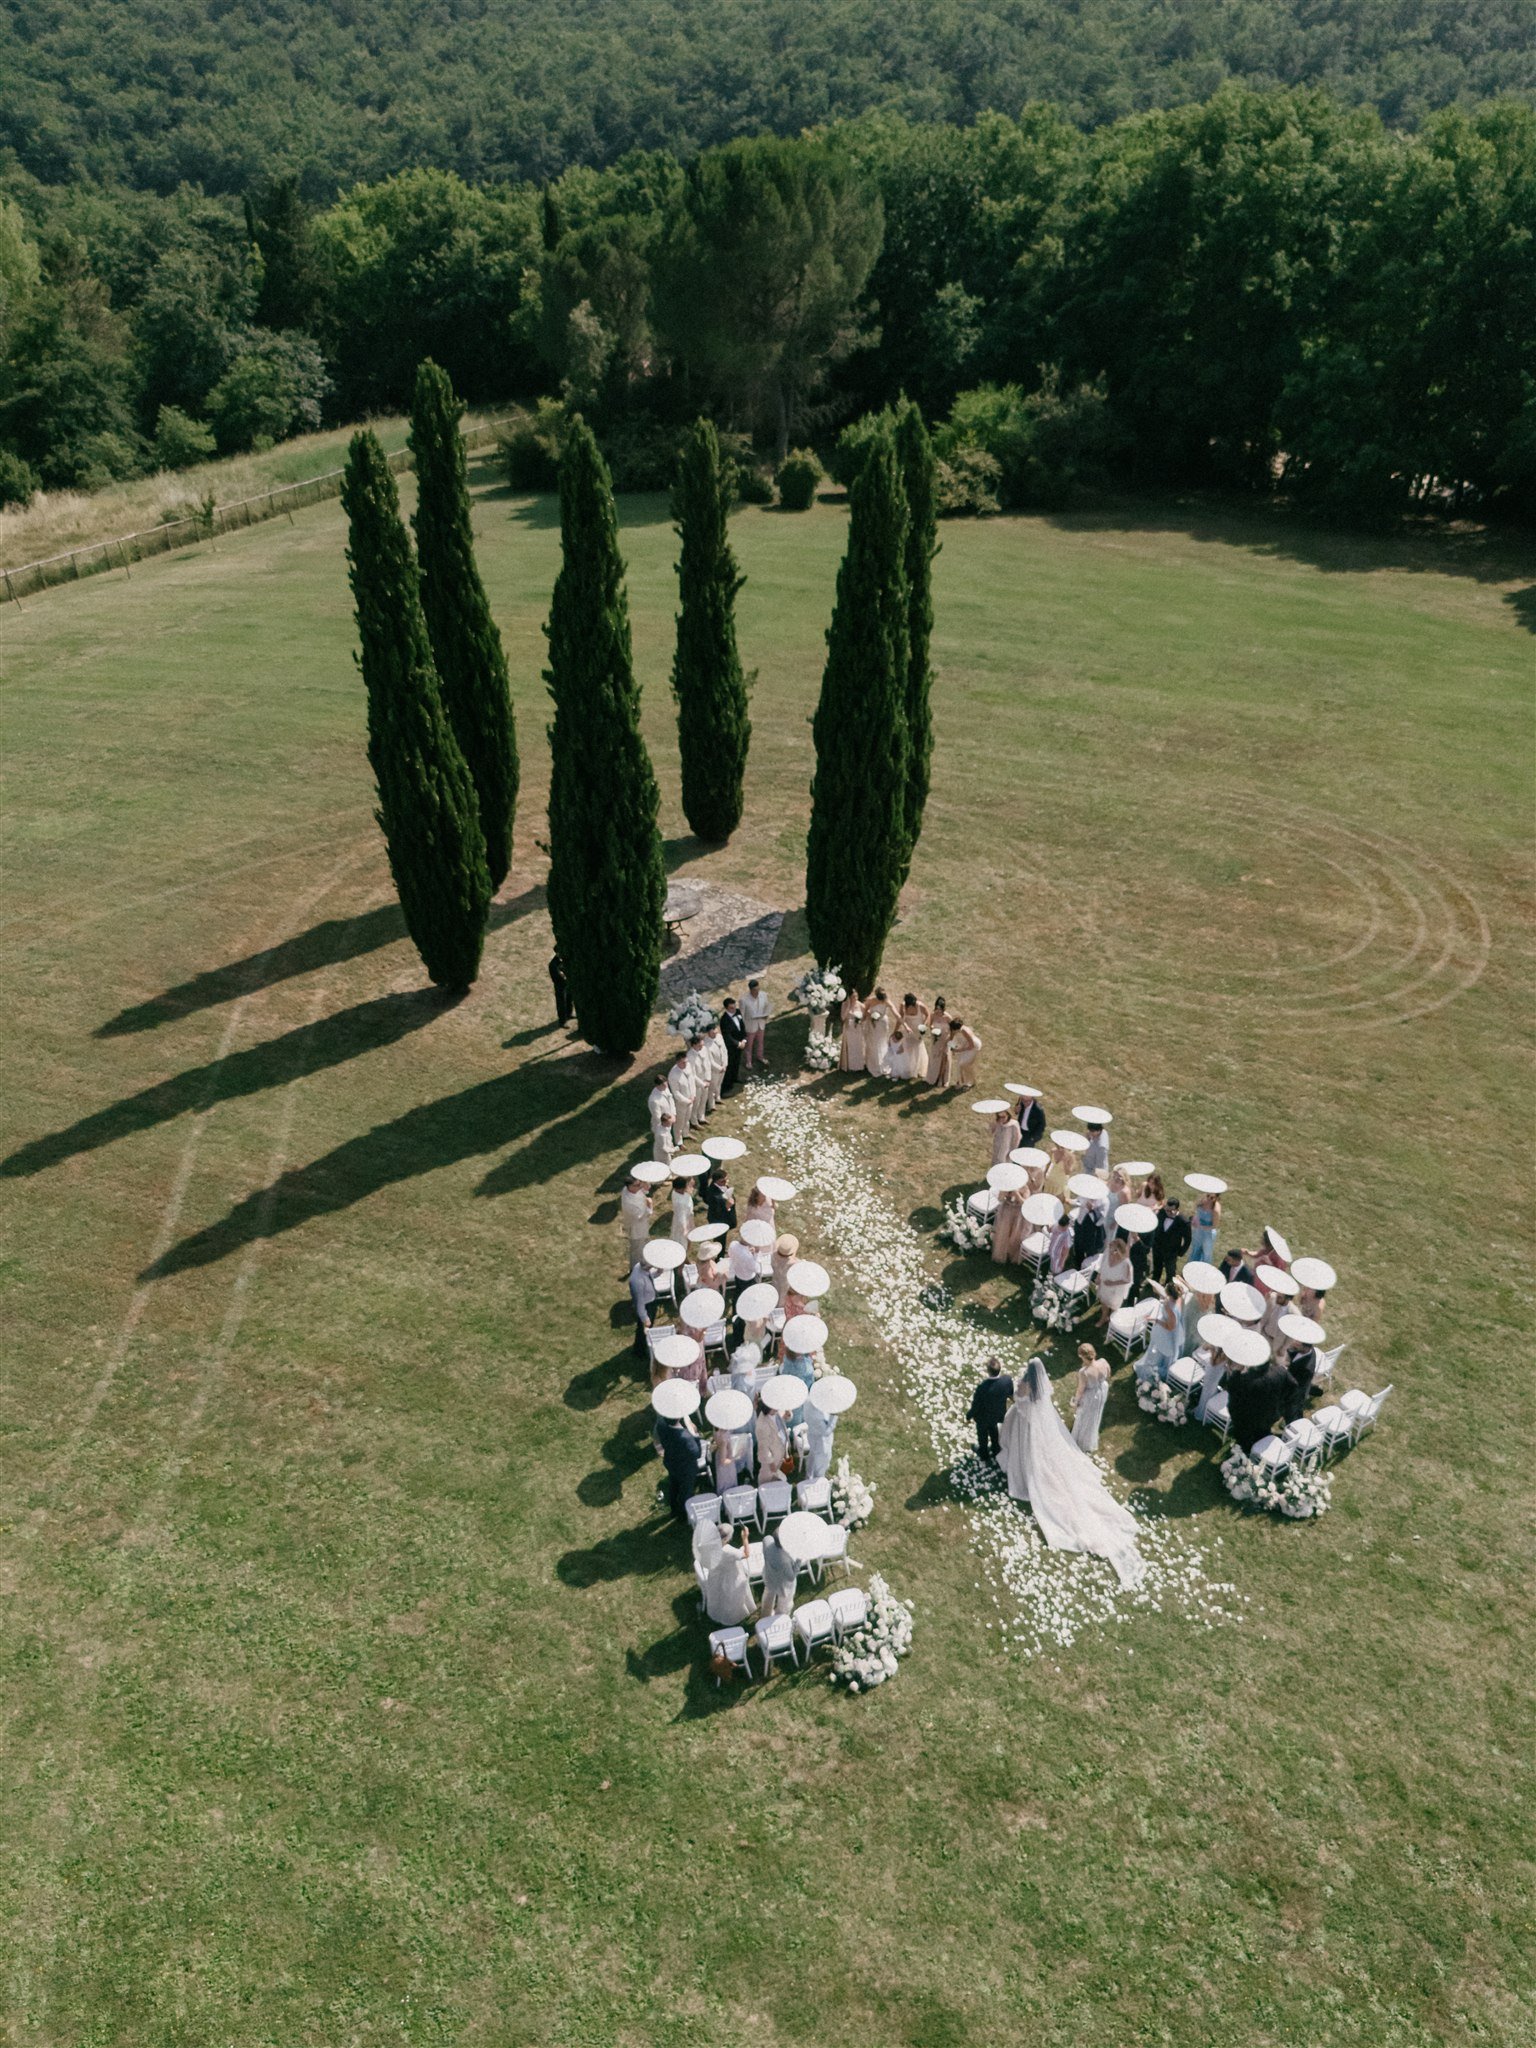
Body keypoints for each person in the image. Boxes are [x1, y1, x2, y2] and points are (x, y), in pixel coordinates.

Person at [997, 1357, 1144, 1586]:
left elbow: (1018, 1399)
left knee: (1031, 1461)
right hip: (1034, 1427)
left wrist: (1016, 1395)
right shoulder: (1041, 1389)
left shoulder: (1024, 1386)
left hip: (1024, 1427)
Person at [1225, 1355, 1293, 1453]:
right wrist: (1282, 1406)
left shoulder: (1241, 1380)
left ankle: (1245, 1453)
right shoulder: (1280, 1371)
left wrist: (1235, 1373)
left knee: (1245, 1440)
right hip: (1270, 1415)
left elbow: (1233, 1399)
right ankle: (1259, 1449)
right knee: (1263, 1433)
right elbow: (1293, 1386)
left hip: (1247, 1419)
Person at [697, 1522, 756, 1626]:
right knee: (733, 1596)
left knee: (718, 1595)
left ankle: (718, 1611)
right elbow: (746, 1554)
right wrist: (745, 1537)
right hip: (731, 1576)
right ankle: (734, 1616)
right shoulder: (728, 1551)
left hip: (715, 1574)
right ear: (725, 1539)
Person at [656, 1414, 706, 1517]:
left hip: (671, 1462)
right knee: (685, 1491)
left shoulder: (660, 1424)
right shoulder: (685, 1437)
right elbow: (697, 1453)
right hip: (686, 1469)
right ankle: (682, 1513)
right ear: (678, 1417)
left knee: (673, 1485)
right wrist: (695, 1435)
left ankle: (673, 1507)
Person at [967, 1357, 1014, 1462]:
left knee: (982, 1436)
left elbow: (976, 1405)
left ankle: (984, 1454)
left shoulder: (982, 1388)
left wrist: (969, 1416)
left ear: (988, 1371)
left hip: (983, 1417)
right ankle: (996, 1449)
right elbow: (1011, 1394)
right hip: (998, 1415)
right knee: (994, 1431)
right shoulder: (1007, 1380)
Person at [1071, 1344, 1111, 1454]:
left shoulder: (1084, 1372)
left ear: (1081, 1356)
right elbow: (1108, 1375)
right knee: (1096, 1414)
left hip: (1091, 1396)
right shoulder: (1103, 1361)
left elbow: (1080, 1390)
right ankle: (1091, 1436)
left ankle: (1082, 1441)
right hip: (1102, 1389)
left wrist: (1075, 1402)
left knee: (1085, 1417)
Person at [1150, 1196, 1192, 1285]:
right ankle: (1154, 1283)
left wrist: (1180, 1252)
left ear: (1177, 1209)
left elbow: (1188, 1239)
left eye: (1171, 1211)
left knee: (1170, 1271)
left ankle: (1169, 1286)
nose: (1168, 1213)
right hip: (1157, 1247)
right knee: (1157, 1268)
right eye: (1167, 1210)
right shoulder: (1161, 1213)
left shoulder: (1183, 1221)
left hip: (1171, 1251)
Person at [1144, 1284, 1182, 1377]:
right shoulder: (1171, 1299)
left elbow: (1170, 1327)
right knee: (1155, 1347)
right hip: (1162, 1327)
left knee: (1162, 1350)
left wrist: (1156, 1320)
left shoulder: (1171, 1310)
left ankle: (1156, 1369)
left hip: (1167, 1333)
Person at [758, 1529, 798, 1618]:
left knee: (768, 1595)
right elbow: (791, 1577)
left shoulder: (767, 1540)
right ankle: (780, 1615)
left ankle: (765, 1614)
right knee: (785, 1601)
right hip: (783, 1584)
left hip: (769, 1576)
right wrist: (798, 1560)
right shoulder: (785, 1559)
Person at [1095, 1234, 1133, 1324]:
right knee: (1104, 1302)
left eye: (1114, 1250)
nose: (1111, 1252)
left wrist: (1113, 1283)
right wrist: (1098, 1277)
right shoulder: (1107, 1252)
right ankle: (1103, 1317)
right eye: (1111, 1249)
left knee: (1113, 1306)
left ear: (1120, 1251)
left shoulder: (1126, 1263)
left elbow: (1128, 1280)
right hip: (1104, 1285)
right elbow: (1101, 1265)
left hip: (1116, 1289)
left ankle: (1112, 1322)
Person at [620, 1173, 654, 1273]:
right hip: (636, 1227)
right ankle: (635, 1270)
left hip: (643, 1225)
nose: (640, 1186)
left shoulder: (632, 1189)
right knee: (637, 1249)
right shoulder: (629, 1202)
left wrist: (645, 1186)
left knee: (645, 1243)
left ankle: (647, 1262)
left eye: (639, 1184)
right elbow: (640, 1216)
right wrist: (650, 1206)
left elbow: (643, 1190)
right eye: (637, 1185)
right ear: (629, 1186)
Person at [629, 1259, 658, 1357]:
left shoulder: (642, 1269)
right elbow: (639, 1304)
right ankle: (639, 1351)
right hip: (646, 1305)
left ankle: (644, 1344)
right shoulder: (638, 1281)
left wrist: (659, 1271)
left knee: (648, 1328)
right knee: (643, 1330)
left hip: (651, 1300)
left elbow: (651, 1276)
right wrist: (645, 1318)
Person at [666, 1049, 697, 1142]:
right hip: (681, 1103)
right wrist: (687, 1101)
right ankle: (678, 1141)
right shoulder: (673, 1075)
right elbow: (676, 1093)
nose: (686, 1064)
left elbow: (691, 1082)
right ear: (677, 1062)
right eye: (683, 1063)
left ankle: (686, 1133)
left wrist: (693, 1095)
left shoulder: (688, 1067)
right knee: (679, 1123)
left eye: (686, 1062)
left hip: (690, 1099)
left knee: (687, 1119)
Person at [755, 1402, 789, 1481]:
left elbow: (782, 1420)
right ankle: (763, 1490)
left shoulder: (776, 1412)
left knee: (777, 1474)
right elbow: (763, 1447)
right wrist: (770, 1462)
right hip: (771, 1457)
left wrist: (788, 1415)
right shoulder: (762, 1425)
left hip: (779, 1451)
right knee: (767, 1476)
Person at [719, 996, 746, 1094]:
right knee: (730, 1064)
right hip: (731, 1046)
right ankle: (727, 1085)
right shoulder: (724, 1020)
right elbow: (727, 1036)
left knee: (737, 1062)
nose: (734, 1009)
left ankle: (735, 1077)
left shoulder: (738, 1012)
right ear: (726, 1008)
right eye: (731, 1008)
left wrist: (744, 1040)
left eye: (734, 1007)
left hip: (741, 1043)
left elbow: (743, 1027)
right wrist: (737, 1043)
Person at [647, 1074, 676, 1164]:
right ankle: (663, 1157)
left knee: (669, 1138)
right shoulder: (654, 1100)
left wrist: (673, 1114)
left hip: (668, 1119)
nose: (666, 1086)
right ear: (657, 1086)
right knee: (662, 1141)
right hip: (661, 1124)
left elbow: (671, 1101)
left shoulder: (665, 1088)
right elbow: (657, 1117)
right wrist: (667, 1121)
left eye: (666, 1084)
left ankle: (670, 1151)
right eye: (663, 1085)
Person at [992, 1187, 1025, 1265]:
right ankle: (1001, 1252)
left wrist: (1017, 1195)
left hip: (1018, 1214)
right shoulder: (1005, 1186)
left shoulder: (1025, 1188)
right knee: (1003, 1233)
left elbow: (1024, 1203)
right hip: (1006, 1211)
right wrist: (1004, 1194)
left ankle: (1011, 1252)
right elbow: (1000, 1199)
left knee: (1015, 1235)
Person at [864, 989, 893, 1077]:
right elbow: (865, 1011)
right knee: (873, 1042)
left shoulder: (886, 1001)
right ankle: (872, 1062)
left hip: (882, 1025)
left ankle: (880, 1062)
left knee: (881, 1042)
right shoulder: (871, 1000)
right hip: (872, 1024)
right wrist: (872, 1017)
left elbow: (895, 1011)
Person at [742, 979, 770, 1069]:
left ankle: (760, 1056)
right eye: (755, 990)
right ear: (750, 990)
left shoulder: (764, 995)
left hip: (761, 1023)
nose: (757, 992)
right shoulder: (744, 1000)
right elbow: (742, 1015)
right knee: (749, 1045)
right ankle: (748, 1061)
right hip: (750, 1026)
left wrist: (766, 1015)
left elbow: (766, 1006)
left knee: (760, 1042)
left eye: (758, 989)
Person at [686, 1035, 714, 1122]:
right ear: (694, 1045)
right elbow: (692, 1074)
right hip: (697, 1084)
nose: (702, 1047)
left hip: (706, 1080)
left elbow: (708, 1064)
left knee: (703, 1100)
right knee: (696, 1102)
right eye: (699, 1045)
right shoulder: (690, 1056)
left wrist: (708, 1078)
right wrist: (702, 1084)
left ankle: (701, 1117)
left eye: (702, 1045)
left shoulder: (704, 1050)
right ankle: (694, 1120)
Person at [925, 998, 952, 1086]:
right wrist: (933, 1029)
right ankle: (933, 1077)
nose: (938, 1011)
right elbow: (930, 1024)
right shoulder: (932, 1015)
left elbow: (952, 1030)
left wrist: (949, 1040)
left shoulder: (947, 1017)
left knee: (944, 1058)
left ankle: (942, 1078)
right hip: (936, 1040)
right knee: (935, 1058)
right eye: (937, 1008)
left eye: (940, 1009)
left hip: (945, 1040)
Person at [948, 1017, 981, 1089]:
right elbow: (952, 1036)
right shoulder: (957, 1029)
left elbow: (971, 1046)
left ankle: (970, 1082)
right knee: (959, 1064)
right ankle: (960, 1082)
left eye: (954, 1030)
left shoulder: (964, 1031)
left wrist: (958, 1050)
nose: (953, 1031)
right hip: (966, 1045)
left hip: (973, 1047)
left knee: (964, 1064)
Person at [1190, 1189, 1221, 1263]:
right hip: (1198, 1231)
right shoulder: (1202, 1201)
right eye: (1208, 1196)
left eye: (1212, 1197)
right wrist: (1195, 1220)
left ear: (1216, 1198)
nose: (1209, 1199)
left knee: (1206, 1253)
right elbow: (1196, 1212)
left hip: (1208, 1233)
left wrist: (1202, 1227)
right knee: (1195, 1249)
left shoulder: (1215, 1209)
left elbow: (1215, 1225)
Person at [839, 993, 866, 1073]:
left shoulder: (860, 1005)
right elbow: (843, 1017)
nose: (855, 998)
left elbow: (865, 1015)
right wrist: (847, 1007)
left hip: (857, 1029)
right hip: (848, 1029)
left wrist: (861, 1021)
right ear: (849, 997)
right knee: (850, 1047)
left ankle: (858, 1066)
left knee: (857, 1046)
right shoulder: (844, 1004)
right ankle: (849, 1066)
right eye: (853, 997)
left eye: (856, 996)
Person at [670, 1175, 696, 1244]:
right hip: (684, 1224)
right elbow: (682, 1219)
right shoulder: (681, 1203)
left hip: (684, 1218)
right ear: (683, 1188)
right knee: (683, 1241)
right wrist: (685, 1230)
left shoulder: (675, 1191)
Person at [548, 952, 572, 1027]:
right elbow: (555, 977)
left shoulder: (563, 959)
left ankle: (569, 1014)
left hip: (566, 984)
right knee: (561, 1003)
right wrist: (562, 977)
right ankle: (562, 1021)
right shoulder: (553, 964)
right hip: (560, 986)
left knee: (569, 999)